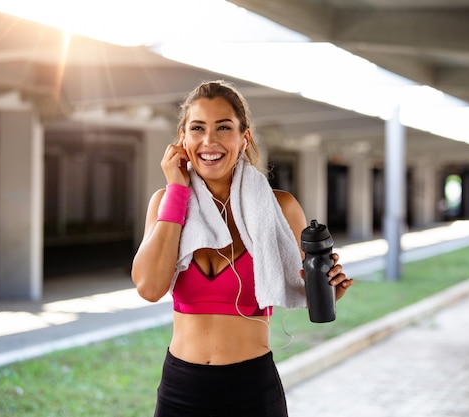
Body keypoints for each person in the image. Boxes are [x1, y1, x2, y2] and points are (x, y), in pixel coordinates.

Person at [131, 80, 353, 417]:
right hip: (181, 390)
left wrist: (328, 289)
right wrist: (177, 192)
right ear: (182, 138)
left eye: (223, 127)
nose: (209, 140)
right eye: (197, 128)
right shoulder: (165, 203)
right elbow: (149, 287)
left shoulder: (281, 209)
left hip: (251, 391)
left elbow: (309, 294)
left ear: (244, 137)